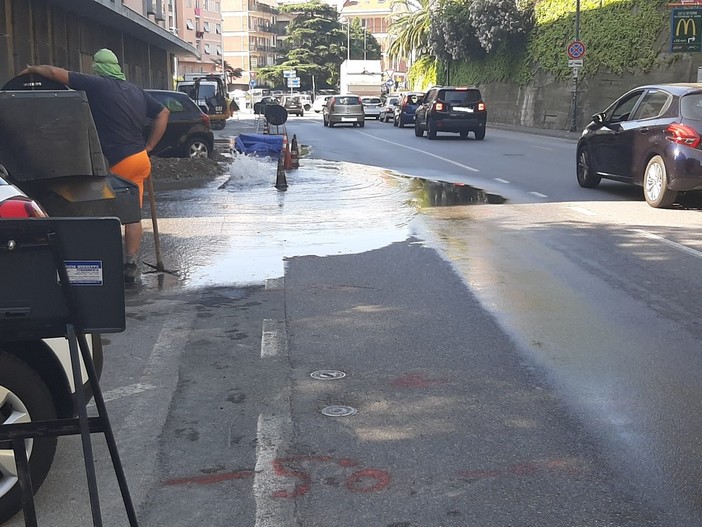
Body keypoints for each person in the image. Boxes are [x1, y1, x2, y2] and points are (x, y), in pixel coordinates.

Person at [21, 49, 170, 283]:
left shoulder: (98, 85)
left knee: (104, 215)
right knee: (132, 216)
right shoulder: (134, 90)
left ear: (98, 67)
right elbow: (164, 113)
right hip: (140, 159)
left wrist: (32, 69)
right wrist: (150, 146)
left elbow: (54, 73)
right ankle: (130, 264)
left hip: (120, 161)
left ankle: (102, 263)